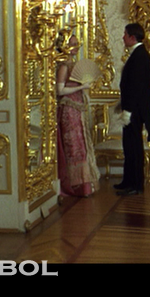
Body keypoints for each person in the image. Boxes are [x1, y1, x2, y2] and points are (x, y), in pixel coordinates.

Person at [56, 34, 100, 198]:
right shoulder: (64, 66)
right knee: (74, 146)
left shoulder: (72, 64)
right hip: (69, 109)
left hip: (77, 108)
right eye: (72, 44)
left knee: (81, 144)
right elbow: (60, 90)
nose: (76, 47)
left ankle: (85, 185)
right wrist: (81, 87)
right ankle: (75, 185)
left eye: (77, 44)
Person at [113, 23, 150, 196]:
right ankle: (128, 181)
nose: (123, 37)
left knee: (134, 147)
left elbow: (136, 87)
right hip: (132, 108)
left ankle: (136, 184)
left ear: (132, 37)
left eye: (125, 34)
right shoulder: (137, 54)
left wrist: (128, 110)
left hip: (134, 111)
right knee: (129, 146)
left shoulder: (140, 56)